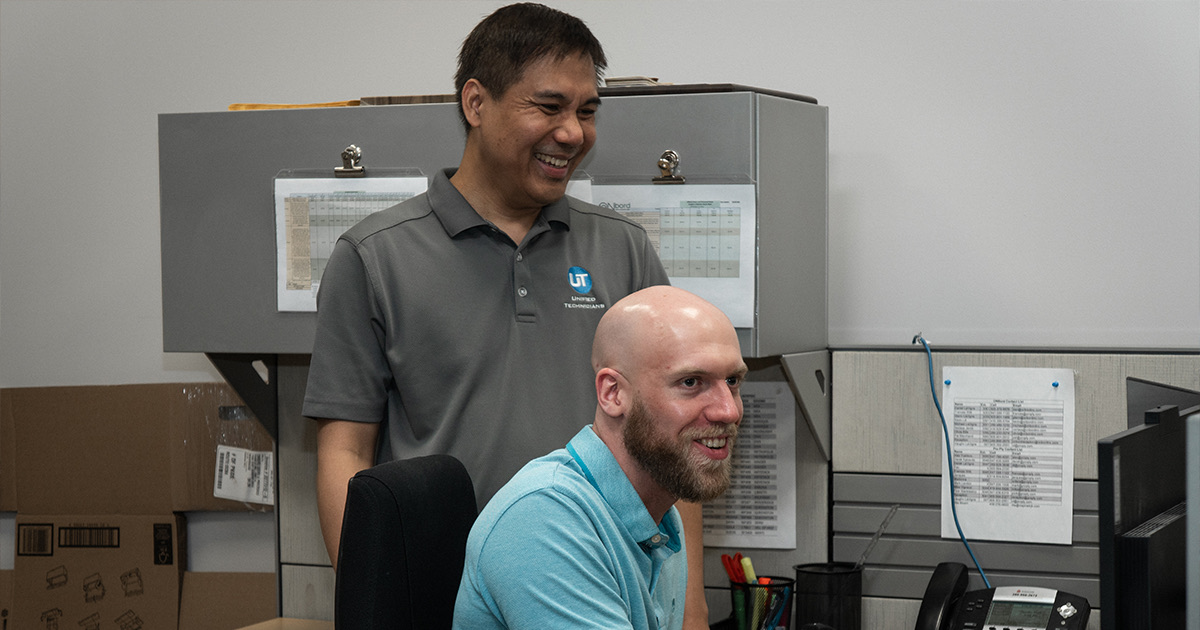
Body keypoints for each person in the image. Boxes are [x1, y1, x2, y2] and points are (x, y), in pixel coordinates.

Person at [303, 5, 711, 624]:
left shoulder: (622, 249)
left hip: (598, 589)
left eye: (587, 110)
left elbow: (672, 439)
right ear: (475, 102)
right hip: (441, 595)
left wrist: (689, 608)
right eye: (548, 107)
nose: (573, 132)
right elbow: (345, 455)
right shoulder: (373, 256)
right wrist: (376, 600)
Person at [453, 286, 746, 630]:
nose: (729, 410)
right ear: (613, 393)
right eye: (691, 382)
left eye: (733, 380)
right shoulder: (544, 519)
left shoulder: (662, 515)